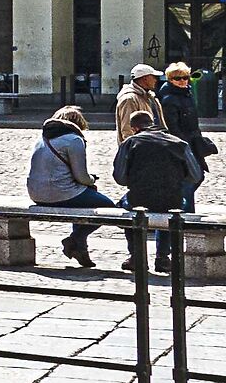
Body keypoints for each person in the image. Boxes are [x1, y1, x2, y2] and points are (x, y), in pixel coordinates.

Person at [30, 104, 122, 268]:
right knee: (109, 208)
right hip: (60, 193)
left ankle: (81, 248)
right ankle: (75, 239)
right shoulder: (74, 140)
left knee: (84, 198)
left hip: (36, 193)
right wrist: (92, 180)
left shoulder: (42, 138)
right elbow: (81, 177)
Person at [114, 109, 202, 270]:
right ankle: (162, 257)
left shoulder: (130, 143)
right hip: (172, 198)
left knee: (124, 207)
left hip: (138, 199)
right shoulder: (179, 143)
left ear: (134, 128)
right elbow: (195, 175)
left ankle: (136, 256)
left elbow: (120, 177)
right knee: (170, 209)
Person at [157, 63, 215, 270]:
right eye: (178, 78)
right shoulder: (170, 99)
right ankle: (184, 225)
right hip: (182, 149)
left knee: (196, 178)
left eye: (185, 78)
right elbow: (173, 128)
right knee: (187, 184)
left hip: (192, 145)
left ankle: (183, 219)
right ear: (170, 79)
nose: (183, 81)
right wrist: (186, 147)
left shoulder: (186, 94)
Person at [115, 64, 163, 143]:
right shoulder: (129, 99)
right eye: (153, 77)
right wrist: (134, 150)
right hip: (141, 148)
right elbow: (127, 130)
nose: (156, 80)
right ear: (145, 78)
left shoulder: (150, 97)